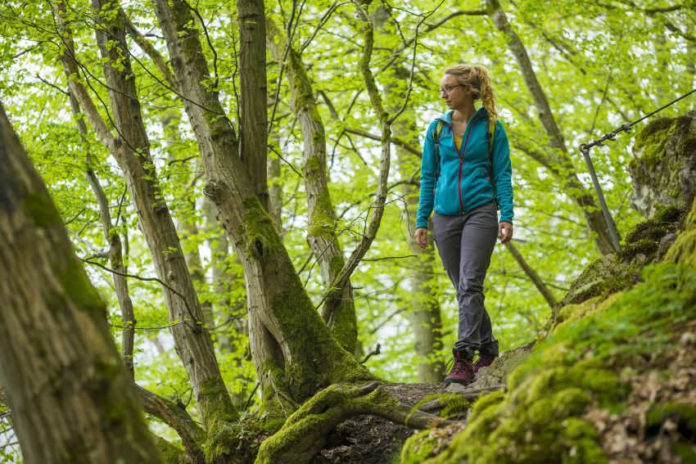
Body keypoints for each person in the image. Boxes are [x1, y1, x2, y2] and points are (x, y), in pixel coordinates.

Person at [415, 64, 514, 385]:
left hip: (481, 213)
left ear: (468, 90)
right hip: (444, 218)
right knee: (463, 288)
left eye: (449, 88)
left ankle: (463, 358)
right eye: (442, 89)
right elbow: (428, 176)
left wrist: (507, 216)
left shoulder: (492, 129)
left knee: (470, 283)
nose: (443, 94)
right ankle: (488, 348)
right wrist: (422, 220)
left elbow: (502, 174)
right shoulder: (437, 129)